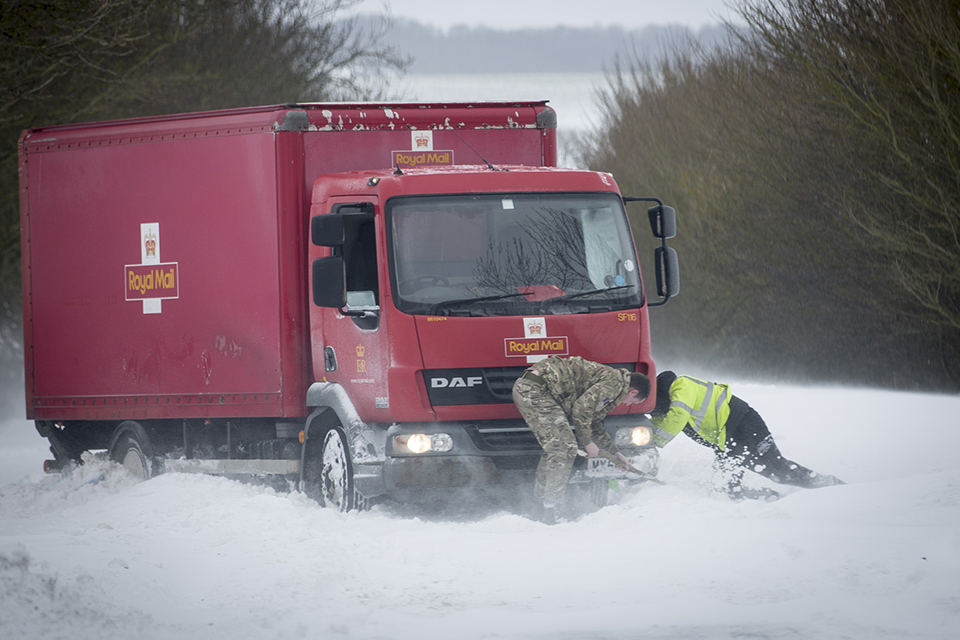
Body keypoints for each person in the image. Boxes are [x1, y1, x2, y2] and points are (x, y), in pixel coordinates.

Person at [650, 371, 843, 500]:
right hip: (726, 441)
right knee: (726, 489)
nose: (657, 415)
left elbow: (676, 417)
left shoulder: (681, 388)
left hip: (745, 425)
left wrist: (656, 441)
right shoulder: (668, 404)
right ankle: (769, 499)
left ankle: (833, 486)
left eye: (656, 411)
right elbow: (661, 422)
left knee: (777, 470)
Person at [512, 356, 650, 520]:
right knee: (563, 448)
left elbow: (594, 423)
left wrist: (615, 453)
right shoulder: (613, 384)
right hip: (535, 390)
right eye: (632, 401)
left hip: (536, 389)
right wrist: (587, 443)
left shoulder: (614, 384)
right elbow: (580, 410)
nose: (627, 405)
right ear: (633, 391)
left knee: (557, 448)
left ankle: (542, 503)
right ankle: (551, 510)